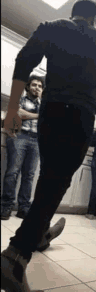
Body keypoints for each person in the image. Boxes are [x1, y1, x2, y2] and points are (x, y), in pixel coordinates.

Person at [1, 1, 96, 291]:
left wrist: (12, 109)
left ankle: (39, 236)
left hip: (51, 113)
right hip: (80, 115)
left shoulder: (52, 28)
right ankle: (15, 255)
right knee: (57, 181)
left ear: (74, 13)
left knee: (50, 176)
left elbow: (24, 60)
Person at [1, 75, 44, 220]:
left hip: (36, 140)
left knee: (29, 176)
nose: (36, 88)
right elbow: (18, 112)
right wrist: (39, 115)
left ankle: (23, 208)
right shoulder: (20, 98)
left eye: (39, 86)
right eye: (34, 85)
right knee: (12, 172)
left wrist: (43, 102)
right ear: (28, 86)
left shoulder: (44, 103)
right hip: (20, 136)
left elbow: (50, 117)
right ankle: (6, 206)